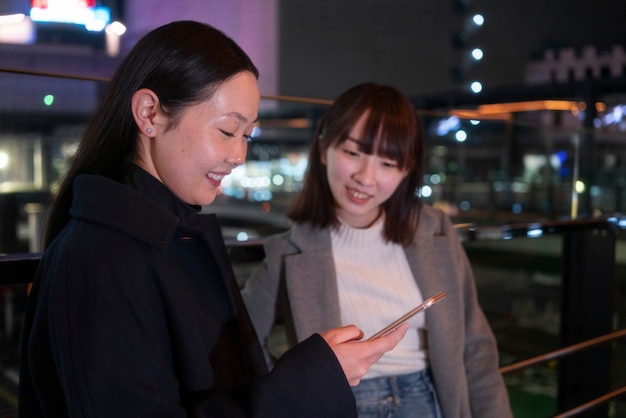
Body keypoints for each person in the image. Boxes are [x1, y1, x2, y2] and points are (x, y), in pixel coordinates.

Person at [17, 21, 408, 417]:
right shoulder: (104, 258)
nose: (239, 156)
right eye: (227, 131)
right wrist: (310, 379)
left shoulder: (167, 233)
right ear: (149, 113)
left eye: (247, 136)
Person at [242, 82, 513, 418]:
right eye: (353, 153)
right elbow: (241, 344)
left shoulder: (436, 232)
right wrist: (293, 393)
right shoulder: (288, 250)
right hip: (343, 405)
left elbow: (476, 350)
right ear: (324, 147)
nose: (366, 178)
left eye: (388, 163)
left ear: (406, 170)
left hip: (430, 401)